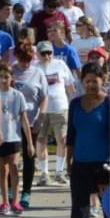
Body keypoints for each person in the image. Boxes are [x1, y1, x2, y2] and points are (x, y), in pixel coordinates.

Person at [63, 62, 110, 218]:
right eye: (87, 81)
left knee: (109, 208)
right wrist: (69, 161)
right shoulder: (75, 104)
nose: (91, 85)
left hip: (105, 165)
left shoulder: (109, 103)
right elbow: (71, 136)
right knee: (80, 206)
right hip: (81, 163)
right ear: (82, 82)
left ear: (104, 80)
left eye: (95, 81)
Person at [12, 39, 49, 209]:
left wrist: (40, 118)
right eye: (21, 59)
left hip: (32, 121)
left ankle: (26, 191)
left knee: (29, 156)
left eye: (27, 60)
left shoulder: (38, 72)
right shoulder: (11, 71)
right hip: (12, 122)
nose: (24, 64)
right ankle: (12, 189)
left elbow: (44, 97)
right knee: (11, 158)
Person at [35, 40, 76, 187]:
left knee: (62, 140)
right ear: (37, 54)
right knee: (41, 140)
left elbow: (70, 87)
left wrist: (74, 105)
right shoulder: (35, 68)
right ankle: (44, 173)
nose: (47, 56)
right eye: (43, 53)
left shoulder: (60, 65)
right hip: (41, 110)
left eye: (49, 53)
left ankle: (59, 172)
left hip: (60, 108)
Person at [0, 64, 34, 216]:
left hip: (14, 137)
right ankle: (5, 201)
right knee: (3, 170)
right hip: (0, 137)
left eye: (7, 77)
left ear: (12, 78)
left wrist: (29, 143)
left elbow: (24, 120)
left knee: (14, 168)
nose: (3, 80)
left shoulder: (17, 95)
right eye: (1, 76)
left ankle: (15, 200)